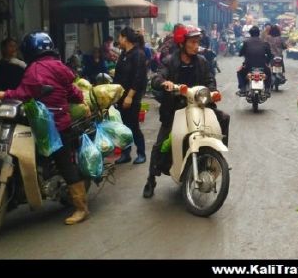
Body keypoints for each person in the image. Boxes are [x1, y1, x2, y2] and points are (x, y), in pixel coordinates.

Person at [0, 31, 91, 225]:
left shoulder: (34, 70)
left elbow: (22, 93)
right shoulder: (60, 66)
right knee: (58, 161)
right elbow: (72, 90)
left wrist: (0, 95)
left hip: (51, 126)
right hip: (58, 123)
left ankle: (82, 208)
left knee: (65, 165)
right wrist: (82, 101)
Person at [142, 25, 230, 198]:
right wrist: (163, 82)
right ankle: (151, 179)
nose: (197, 45)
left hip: (199, 106)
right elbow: (157, 77)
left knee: (224, 118)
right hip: (175, 109)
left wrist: (212, 92)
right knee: (160, 145)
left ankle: (216, 156)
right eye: (193, 42)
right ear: (183, 43)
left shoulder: (202, 61)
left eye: (198, 42)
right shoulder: (169, 61)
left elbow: (210, 81)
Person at [113, 27, 148, 165]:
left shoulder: (138, 54)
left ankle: (141, 153)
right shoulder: (123, 54)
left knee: (133, 125)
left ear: (125, 38)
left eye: (120, 37)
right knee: (123, 126)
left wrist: (130, 96)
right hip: (121, 95)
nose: (118, 40)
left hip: (132, 96)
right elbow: (118, 75)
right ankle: (125, 153)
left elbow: (138, 77)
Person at [236, 26, 273, 96]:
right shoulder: (264, 42)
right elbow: (270, 55)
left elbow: (240, 53)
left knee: (239, 72)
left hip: (248, 66)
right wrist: (266, 63)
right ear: (259, 33)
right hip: (262, 66)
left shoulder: (246, 42)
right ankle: (267, 89)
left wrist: (242, 54)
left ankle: (243, 88)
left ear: (250, 34)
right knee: (269, 73)